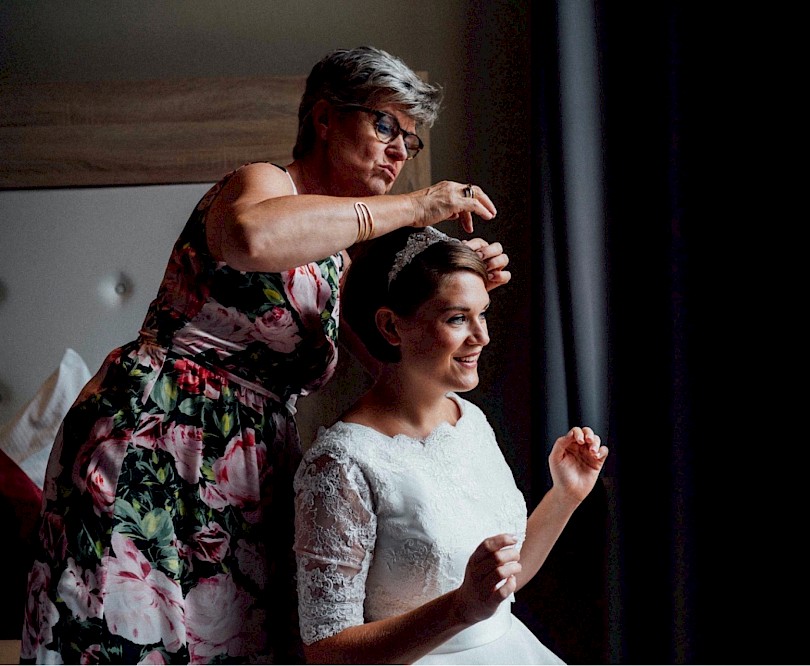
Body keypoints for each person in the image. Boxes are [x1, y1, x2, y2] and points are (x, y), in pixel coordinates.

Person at [19, 46, 511, 664]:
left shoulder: (338, 260)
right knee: (122, 636)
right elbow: (252, 237)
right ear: (325, 118)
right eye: (385, 125)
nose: (397, 152)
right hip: (158, 439)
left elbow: (397, 372)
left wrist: (458, 304)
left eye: (409, 142)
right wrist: (417, 205)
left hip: (253, 474)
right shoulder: (262, 184)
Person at [293, 226, 609, 665]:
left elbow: (502, 586)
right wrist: (459, 609)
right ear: (390, 326)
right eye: (457, 318)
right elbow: (326, 653)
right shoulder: (342, 463)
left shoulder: (468, 420)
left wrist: (565, 496)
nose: (481, 336)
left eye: (483, 314)